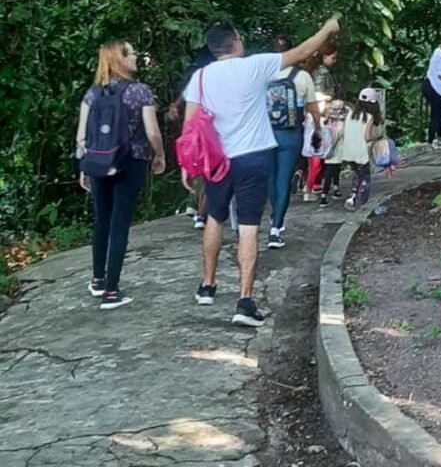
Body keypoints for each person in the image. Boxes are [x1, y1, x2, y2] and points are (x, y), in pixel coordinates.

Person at [182, 17, 339, 327]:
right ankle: (244, 301)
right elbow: (302, 51)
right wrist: (328, 28)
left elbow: (190, 126)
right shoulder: (254, 66)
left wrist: (189, 165)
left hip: (217, 160)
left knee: (215, 216)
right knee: (249, 226)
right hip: (252, 157)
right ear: (235, 42)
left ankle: (207, 285)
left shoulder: (200, 78)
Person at [75, 41, 165, 309]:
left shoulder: (92, 93)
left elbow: (82, 136)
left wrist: (84, 166)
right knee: (119, 223)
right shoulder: (140, 92)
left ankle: (98, 280)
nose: (137, 56)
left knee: (101, 219)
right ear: (120, 58)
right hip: (130, 161)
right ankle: (112, 292)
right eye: (131, 52)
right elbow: (152, 133)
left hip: (99, 163)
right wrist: (159, 154)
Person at [267, 43, 321, 247]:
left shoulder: (264, 75)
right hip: (290, 135)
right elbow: (314, 110)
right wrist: (317, 129)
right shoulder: (302, 77)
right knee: (284, 179)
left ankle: (274, 215)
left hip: (267, 134)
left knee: (271, 179)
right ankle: (275, 229)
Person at [168, 45, 215, 229]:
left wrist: (175, 107)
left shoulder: (197, 77)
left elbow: (184, 97)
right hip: (209, 130)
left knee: (199, 170)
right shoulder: (212, 77)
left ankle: (193, 206)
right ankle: (201, 214)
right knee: (208, 173)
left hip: (195, 130)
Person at [341, 87, 383, 211]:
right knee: (365, 176)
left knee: (357, 174)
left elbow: (344, 132)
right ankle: (360, 201)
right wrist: (378, 135)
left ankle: (352, 196)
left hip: (348, 151)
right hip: (361, 151)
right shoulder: (369, 117)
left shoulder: (350, 114)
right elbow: (367, 137)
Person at [318, 99, 350, 207]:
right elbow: (341, 135)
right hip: (334, 148)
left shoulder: (327, 119)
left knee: (335, 168)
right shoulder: (341, 121)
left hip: (331, 147)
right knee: (330, 171)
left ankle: (335, 188)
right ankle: (324, 196)